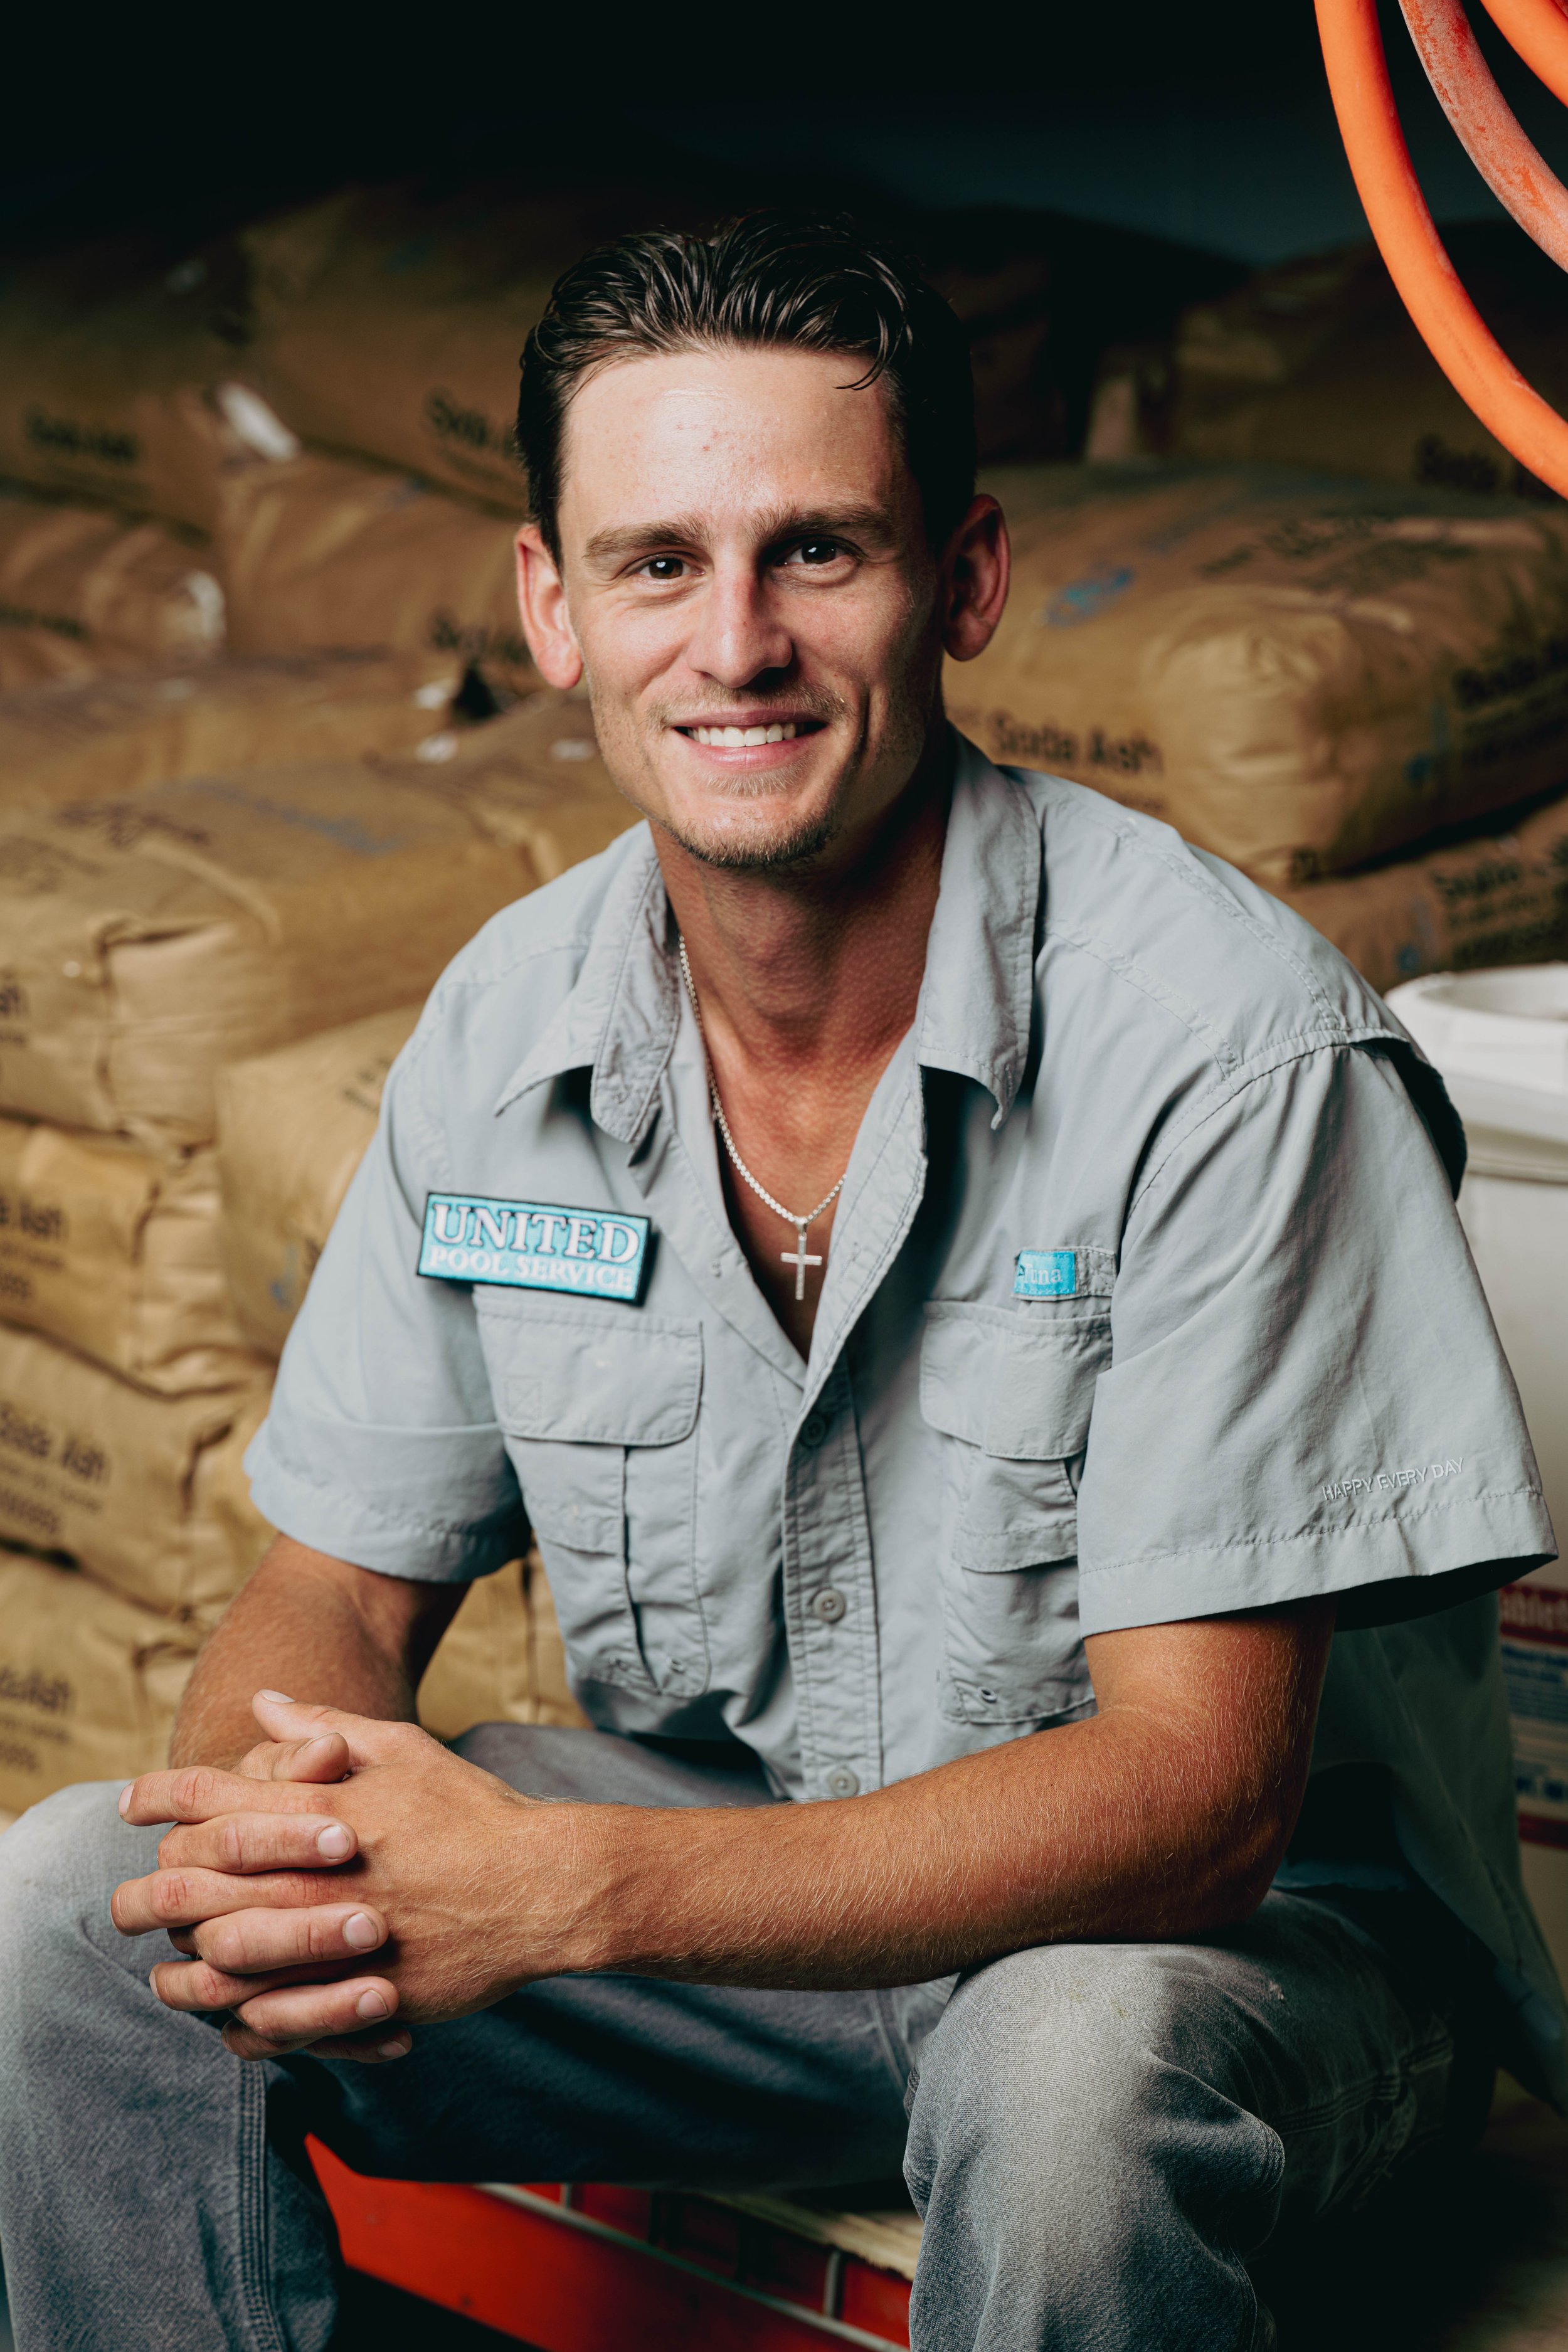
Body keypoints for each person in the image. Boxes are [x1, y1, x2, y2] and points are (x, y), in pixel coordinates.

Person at [0, 211, 1560, 2352]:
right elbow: (335, 1593)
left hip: (1218, 1969)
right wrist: (268, 1837)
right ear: (552, 607)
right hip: (734, 1930)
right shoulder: (508, 1018)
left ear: (967, 580)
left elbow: (1196, 1801)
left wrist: (561, 1891)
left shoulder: (1226, 1047)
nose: (733, 643)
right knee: (77, 1913)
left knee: (1065, 2081)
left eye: (816, 551)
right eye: (655, 562)